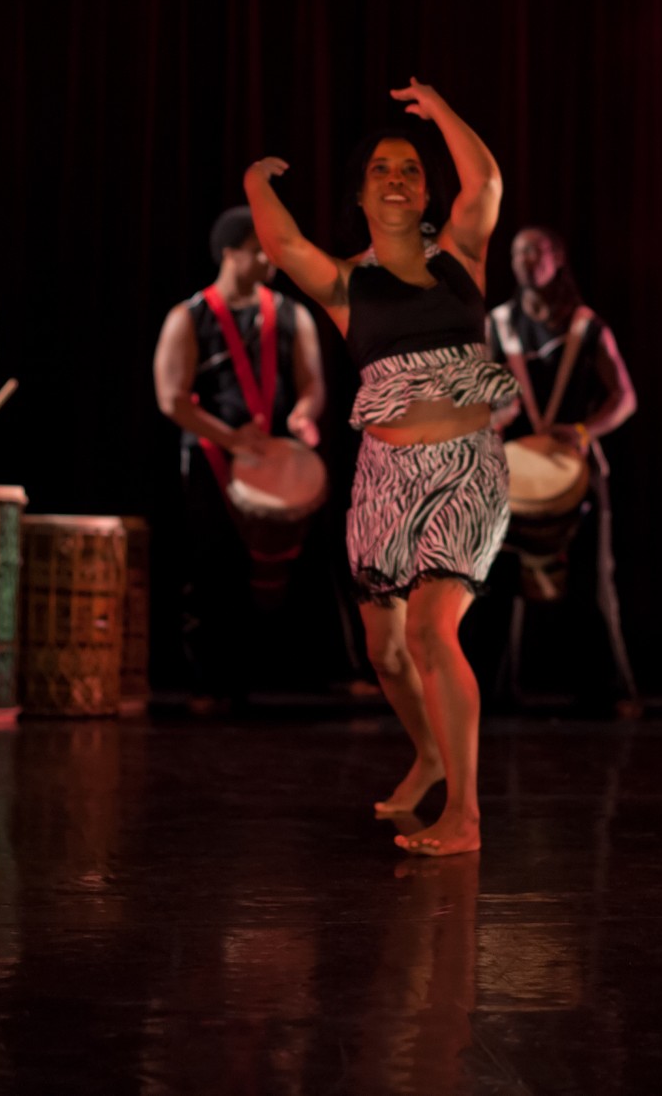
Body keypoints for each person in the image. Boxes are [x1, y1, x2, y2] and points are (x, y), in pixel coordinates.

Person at [244, 79, 513, 856]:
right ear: (361, 195)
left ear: (426, 192)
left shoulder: (461, 256)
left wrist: (442, 112)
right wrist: (254, 185)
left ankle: (463, 814)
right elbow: (283, 246)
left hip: (467, 471)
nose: (397, 179)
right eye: (382, 171)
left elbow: (487, 182)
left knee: (433, 632)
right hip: (385, 482)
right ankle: (428, 753)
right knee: (386, 650)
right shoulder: (345, 284)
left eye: (410, 170)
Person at [152, 206, 327, 705]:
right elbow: (171, 398)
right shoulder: (189, 317)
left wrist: (302, 416)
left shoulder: (292, 315)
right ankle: (214, 683)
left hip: (272, 458)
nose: (270, 257)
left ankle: (288, 680)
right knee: (213, 572)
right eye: (259, 248)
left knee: (290, 573)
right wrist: (231, 440)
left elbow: (312, 384)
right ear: (229, 253)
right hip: (212, 458)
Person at [486, 225, 640, 711]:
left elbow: (625, 396)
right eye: (517, 253)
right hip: (511, 474)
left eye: (536, 251)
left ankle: (606, 691)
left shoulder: (585, 326)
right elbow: (474, 397)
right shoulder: (499, 325)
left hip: (576, 467)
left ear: (558, 259)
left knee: (592, 583)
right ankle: (492, 694)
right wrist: (491, 416)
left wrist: (585, 430)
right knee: (497, 583)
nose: (526, 260)